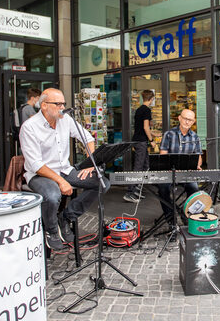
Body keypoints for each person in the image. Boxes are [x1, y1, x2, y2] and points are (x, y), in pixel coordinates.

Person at [19, 88, 110, 250]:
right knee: (53, 196)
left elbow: (88, 138)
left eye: (63, 103)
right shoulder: (29, 127)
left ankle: (66, 217)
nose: (62, 107)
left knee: (102, 183)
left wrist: (91, 163)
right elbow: (36, 164)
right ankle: (51, 230)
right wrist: (61, 181)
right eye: (58, 104)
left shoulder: (65, 119)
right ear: (44, 105)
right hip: (40, 174)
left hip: (64, 170)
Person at [158, 109, 203, 229]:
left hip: (186, 173)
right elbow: (163, 155)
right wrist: (168, 166)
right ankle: (171, 220)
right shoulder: (169, 134)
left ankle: (185, 213)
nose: (187, 122)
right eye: (185, 118)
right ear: (179, 118)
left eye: (190, 120)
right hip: (169, 173)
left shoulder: (195, 137)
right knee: (162, 189)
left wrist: (197, 165)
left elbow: (198, 158)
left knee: (194, 188)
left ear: (193, 122)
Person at [123, 90, 159, 203]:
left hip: (138, 140)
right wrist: (152, 140)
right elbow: (145, 127)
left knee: (145, 166)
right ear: (151, 99)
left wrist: (154, 134)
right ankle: (130, 192)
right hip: (141, 142)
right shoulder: (147, 110)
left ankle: (137, 190)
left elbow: (142, 127)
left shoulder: (139, 110)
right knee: (139, 167)